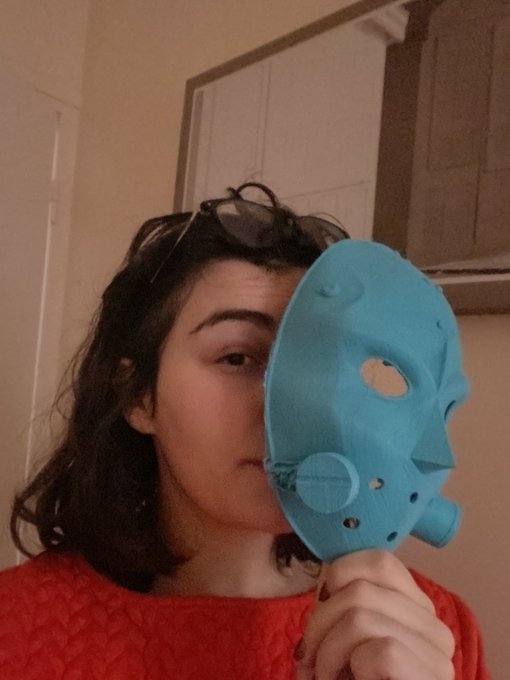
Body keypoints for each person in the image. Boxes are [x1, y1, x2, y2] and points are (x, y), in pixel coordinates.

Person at [0, 183, 489, 679]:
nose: (286, 407)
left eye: (315, 362)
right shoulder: (15, 626)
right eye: (237, 358)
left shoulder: (434, 634)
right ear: (138, 396)